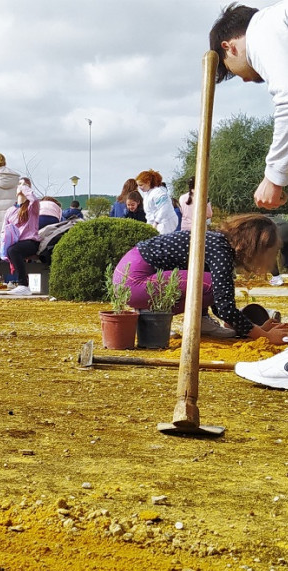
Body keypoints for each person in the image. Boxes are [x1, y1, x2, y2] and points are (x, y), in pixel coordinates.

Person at [113, 213, 288, 341]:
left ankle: (171, 320)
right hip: (135, 280)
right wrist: (264, 336)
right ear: (254, 245)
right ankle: (185, 320)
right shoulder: (221, 251)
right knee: (212, 285)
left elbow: (219, 305)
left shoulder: (217, 243)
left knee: (211, 285)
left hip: (130, 276)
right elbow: (224, 305)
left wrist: (254, 328)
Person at [210, 3, 288, 209]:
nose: (244, 79)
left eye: (232, 71)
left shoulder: (262, 30)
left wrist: (273, 177)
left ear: (229, 47)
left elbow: (287, 99)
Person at [0, 184, 41, 296]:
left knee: (13, 250)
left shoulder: (32, 208)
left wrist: (24, 187)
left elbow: (35, 199)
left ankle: (23, 285)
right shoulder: (10, 210)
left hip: (29, 241)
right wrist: (3, 243)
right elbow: (4, 230)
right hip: (13, 241)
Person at [136, 169, 179, 234]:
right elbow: (149, 213)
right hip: (156, 223)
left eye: (141, 185)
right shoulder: (147, 194)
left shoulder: (158, 192)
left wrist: (156, 222)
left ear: (148, 182)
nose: (140, 187)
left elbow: (164, 208)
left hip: (165, 222)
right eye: (138, 185)